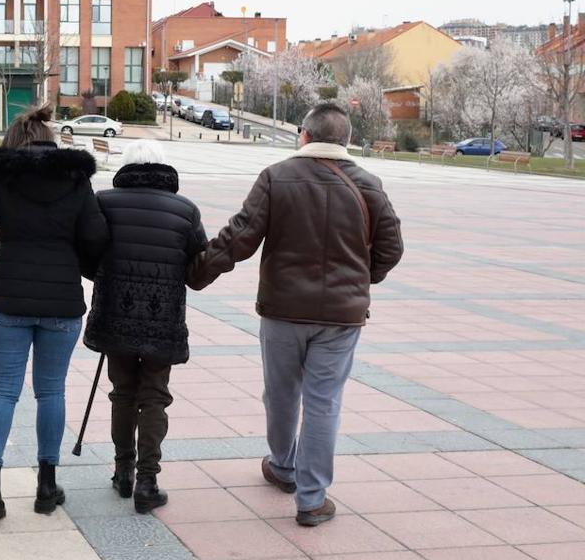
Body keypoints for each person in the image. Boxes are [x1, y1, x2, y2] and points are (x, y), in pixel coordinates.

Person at [188, 102, 404, 527]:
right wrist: (360, 282)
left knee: (282, 392)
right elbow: (391, 249)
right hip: (341, 318)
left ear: (303, 134)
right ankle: (312, 498)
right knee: (324, 402)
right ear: (345, 140)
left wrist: (197, 272)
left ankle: (283, 467)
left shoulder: (277, 177)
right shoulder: (369, 184)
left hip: (283, 310)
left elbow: (240, 236)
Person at [0, 105, 108, 519]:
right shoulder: (76, 178)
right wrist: (92, 266)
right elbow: (95, 234)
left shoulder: (2, 175)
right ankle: (46, 486)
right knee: (50, 391)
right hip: (62, 300)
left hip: (8, 298)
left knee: (3, 390)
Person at [84, 140, 207, 513]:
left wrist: (105, 276)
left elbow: (89, 257)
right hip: (163, 317)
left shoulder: (103, 202)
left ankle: (123, 471)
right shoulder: (185, 210)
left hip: (115, 314)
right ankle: (147, 480)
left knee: (122, 393)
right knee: (154, 394)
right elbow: (195, 270)